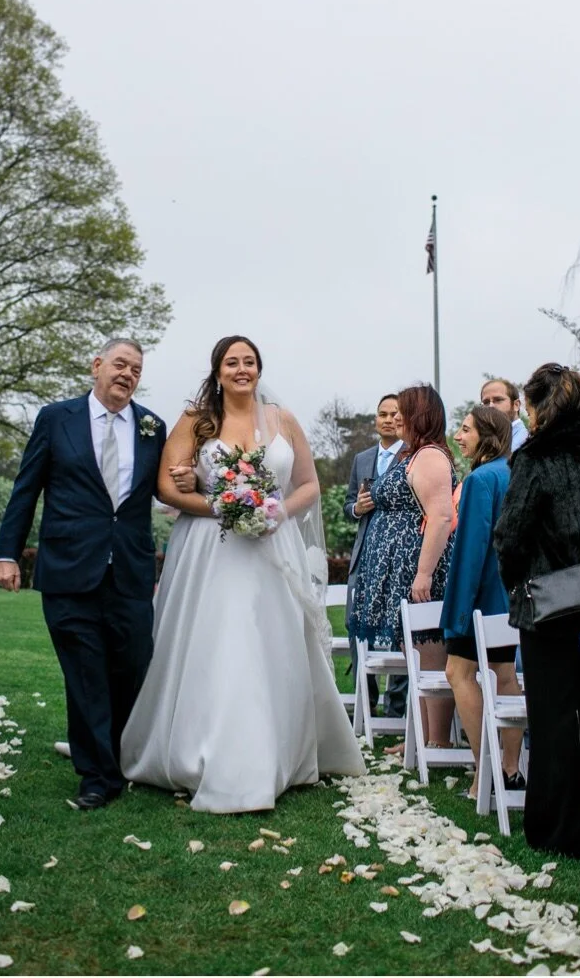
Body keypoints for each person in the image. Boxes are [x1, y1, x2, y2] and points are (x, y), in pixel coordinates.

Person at [121, 336, 363, 812]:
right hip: (212, 550)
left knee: (272, 642)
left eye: (249, 362)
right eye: (232, 362)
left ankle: (281, 750)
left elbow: (309, 484)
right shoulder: (196, 420)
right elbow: (167, 487)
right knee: (221, 641)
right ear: (217, 371)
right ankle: (208, 753)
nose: (242, 369)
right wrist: (222, 507)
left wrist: (276, 512)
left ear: (259, 369)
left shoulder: (283, 420)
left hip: (274, 547)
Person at [0, 339, 167, 810]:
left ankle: (117, 755)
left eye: (135, 369)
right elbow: (25, 489)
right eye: (119, 364)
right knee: (85, 673)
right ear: (96, 366)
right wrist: (6, 553)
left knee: (132, 668)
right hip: (69, 567)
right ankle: (96, 776)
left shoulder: (153, 427)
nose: (127, 374)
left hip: (129, 568)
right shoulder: (56, 418)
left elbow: (165, 488)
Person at [494, 362, 580, 857]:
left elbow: (511, 535)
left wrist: (515, 580)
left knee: (554, 719)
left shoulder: (537, 457)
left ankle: (560, 829)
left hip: (552, 608)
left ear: (535, 407)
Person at [353, 384, 457, 754]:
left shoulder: (429, 456)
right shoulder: (413, 455)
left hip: (421, 570)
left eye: (404, 412)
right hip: (402, 570)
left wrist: (424, 573)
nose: (396, 417)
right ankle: (420, 735)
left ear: (421, 416)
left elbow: (442, 516)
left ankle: (438, 740)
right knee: (414, 651)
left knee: (429, 651)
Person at [441, 405, 521, 800]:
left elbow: (471, 549)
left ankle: (483, 772)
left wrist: (458, 608)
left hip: (480, 599)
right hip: (510, 597)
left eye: (466, 429)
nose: (458, 436)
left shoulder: (479, 480)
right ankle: (511, 770)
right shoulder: (513, 473)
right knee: (506, 676)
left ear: (487, 435)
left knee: (458, 672)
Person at [344, 394, 405, 716]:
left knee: (398, 630)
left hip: (397, 556)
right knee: (355, 625)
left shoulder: (413, 455)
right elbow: (347, 503)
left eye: (395, 414)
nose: (388, 419)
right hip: (364, 554)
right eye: (382, 414)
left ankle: (397, 707)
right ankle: (364, 704)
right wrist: (357, 508)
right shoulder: (362, 458)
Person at [481, 378, 529, 452]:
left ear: (516, 405)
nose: (491, 406)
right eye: (486, 402)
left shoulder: (524, 443)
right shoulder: (488, 442)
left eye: (498, 400)